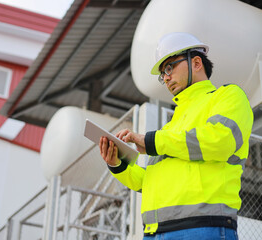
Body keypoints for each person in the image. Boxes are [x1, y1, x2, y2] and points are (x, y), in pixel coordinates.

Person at [99, 32, 253, 239]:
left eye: (169, 67)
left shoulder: (228, 96)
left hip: (202, 228)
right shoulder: (170, 128)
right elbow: (147, 181)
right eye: (163, 74)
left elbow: (220, 141)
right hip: (155, 233)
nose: (166, 77)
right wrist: (118, 164)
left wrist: (152, 141)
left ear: (197, 62)